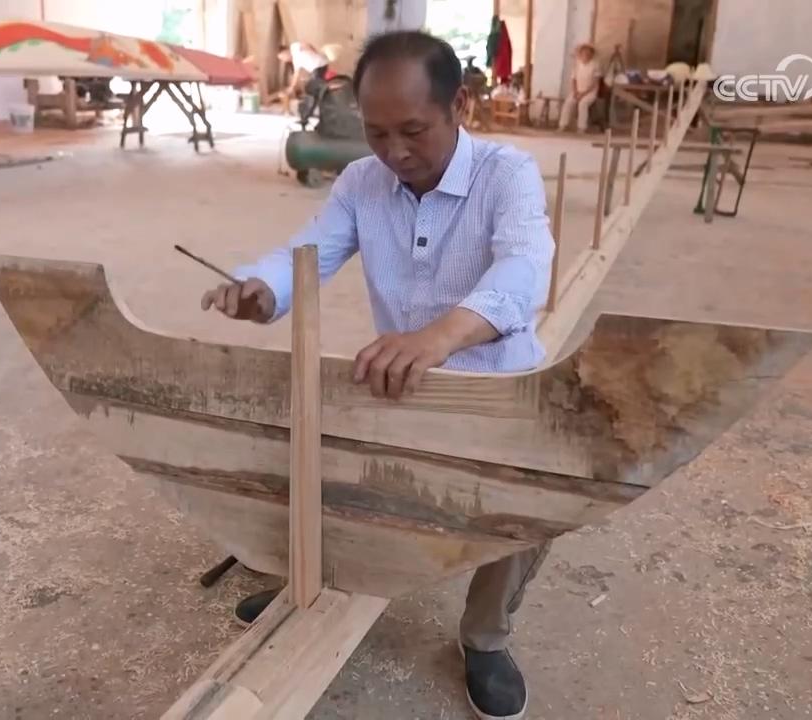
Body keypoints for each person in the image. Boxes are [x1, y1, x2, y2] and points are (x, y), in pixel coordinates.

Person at [199, 29, 555, 720]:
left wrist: (441, 336)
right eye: (376, 132)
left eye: (414, 131)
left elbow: (523, 269)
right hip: (401, 384)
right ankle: (315, 583)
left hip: (493, 386)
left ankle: (485, 638)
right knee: (321, 456)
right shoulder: (363, 182)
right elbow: (310, 249)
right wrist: (263, 289)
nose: (394, 151)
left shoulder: (508, 175)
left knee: (526, 504)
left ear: (460, 107)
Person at [558, 43, 601, 133]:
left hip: (590, 92)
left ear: (591, 54)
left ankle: (581, 128)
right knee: (568, 103)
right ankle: (562, 125)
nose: (586, 55)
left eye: (588, 53)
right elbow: (573, 79)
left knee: (583, 104)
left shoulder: (595, 65)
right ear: (580, 54)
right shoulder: (577, 64)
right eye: (584, 52)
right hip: (577, 91)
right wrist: (575, 92)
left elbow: (595, 83)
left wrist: (583, 94)